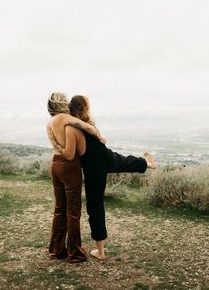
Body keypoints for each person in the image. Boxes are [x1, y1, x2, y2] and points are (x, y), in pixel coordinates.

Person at [51, 95, 156, 260]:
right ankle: (147, 163)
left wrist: (58, 146)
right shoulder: (86, 125)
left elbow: (71, 154)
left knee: (95, 206)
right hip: (104, 156)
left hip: (95, 168)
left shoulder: (73, 128)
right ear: (85, 109)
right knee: (124, 161)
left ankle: (100, 252)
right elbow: (94, 137)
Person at [46, 92, 106, 263]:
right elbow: (88, 128)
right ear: (62, 104)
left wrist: (57, 145)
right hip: (68, 167)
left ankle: (56, 250)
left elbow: (56, 144)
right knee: (73, 212)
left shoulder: (49, 122)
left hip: (55, 165)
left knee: (59, 209)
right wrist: (99, 136)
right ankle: (75, 253)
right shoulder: (65, 119)